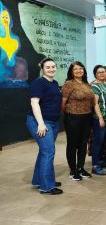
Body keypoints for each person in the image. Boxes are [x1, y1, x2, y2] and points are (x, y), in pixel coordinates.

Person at [26, 58, 63, 195]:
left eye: (53, 66)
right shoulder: (38, 83)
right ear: (42, 69)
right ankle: (47, 186)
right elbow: (34, 103)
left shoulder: (55, 83)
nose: (51, 69)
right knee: (48, 152)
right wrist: (41, 124)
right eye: (48, 67)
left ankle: (39, 180)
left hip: (53, 122)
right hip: (40, 122)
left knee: (44, 151)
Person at [62, 61, 94, 181]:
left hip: (87, 117)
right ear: (71, 71)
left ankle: (81, 168)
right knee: (73, 144)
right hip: (72, 117)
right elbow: (63, 102)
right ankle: (73, 170)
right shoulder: (69, 84)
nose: (78, 71)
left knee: (83, 143)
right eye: (75, 69)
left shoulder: (86, 83)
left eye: (80, 68)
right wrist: (66, 116)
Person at [90, 65, 106, 175]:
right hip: (100, 118)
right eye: (99, 72)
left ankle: (101, 160)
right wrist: (100, 118)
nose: (102, 74)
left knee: (103, 141)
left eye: (103, 72)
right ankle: (95, 165)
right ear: (95, 75)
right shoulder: (95, 86)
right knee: (98, 141)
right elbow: (95, 104)